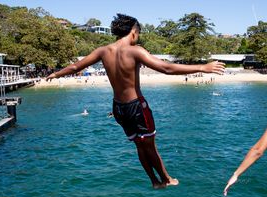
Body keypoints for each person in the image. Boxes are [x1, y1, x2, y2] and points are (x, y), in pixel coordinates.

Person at [46, 14, 225, 188]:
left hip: (118, 108)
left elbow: (76, 66)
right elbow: (166, 68)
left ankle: (154, 181)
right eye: (138, 33)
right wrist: (203, 67)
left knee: (139, 146)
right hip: (136, 107)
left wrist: (56, 74)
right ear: (133, 31)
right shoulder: (135, 50)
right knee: (150, 146)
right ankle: (167, 179)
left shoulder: (103, 51)